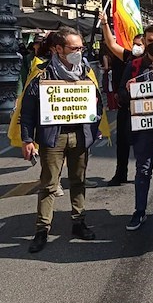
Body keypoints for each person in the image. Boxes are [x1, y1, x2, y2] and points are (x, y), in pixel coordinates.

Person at [20, 27, 104, 253]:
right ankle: (42, 229)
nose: (80, 51)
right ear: (58, 49)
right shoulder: (41, 75)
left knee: (78, 181)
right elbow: (27, 112)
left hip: (79, 136)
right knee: (48, 185)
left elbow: (98, 105)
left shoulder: (86, 73)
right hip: (52, 138)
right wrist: (27, 139)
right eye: (74, 48)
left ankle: (79, 222)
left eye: (81, 47)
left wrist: (92, 128)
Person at [118, 24, 153, 230]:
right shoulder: (134, 65)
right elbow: (120, 96)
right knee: (143, 170)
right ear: (144, 41)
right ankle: (139, 211)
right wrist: (127, 90)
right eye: (150, 41)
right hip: (143, 128)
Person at [100, 11, 145, 186]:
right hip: (127, 107)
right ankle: (121, 173)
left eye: (140, 45)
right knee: (122, 142)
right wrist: (104, 24)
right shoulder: (128, 57)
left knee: (145, 144)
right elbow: (111, 44)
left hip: (146, 109)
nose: (136, 47)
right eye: (135, 44)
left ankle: (144, 174)